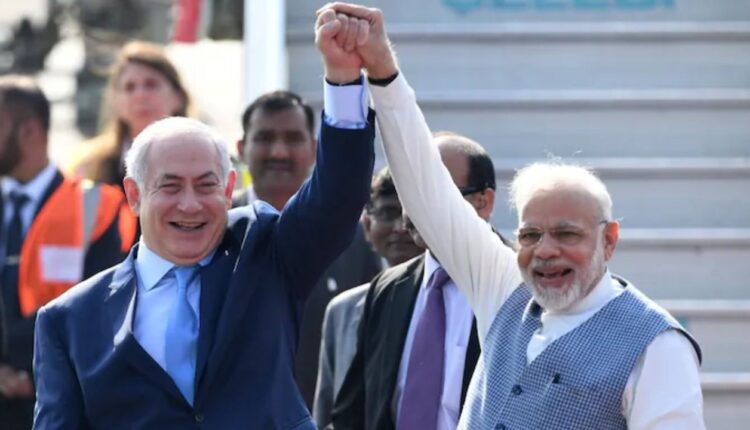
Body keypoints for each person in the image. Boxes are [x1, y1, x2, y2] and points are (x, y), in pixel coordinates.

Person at [322, 4, 705, 428]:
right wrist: (381, 69)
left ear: (609, 239)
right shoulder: (506, 289)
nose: (545, 250)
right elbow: (427, 189)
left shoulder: (656, 346)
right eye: (530, 234)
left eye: (567, 234)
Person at [32, 9, 376, 428]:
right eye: (171, 186)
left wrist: (343, 79)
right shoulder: (70, 320)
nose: (190, 204)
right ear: (134, 195)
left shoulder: (263, 254)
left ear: (229, 189)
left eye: (205, 185)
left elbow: (338, 197)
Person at [331, 134, 514, 430]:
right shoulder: (389, 289)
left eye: (435, 191)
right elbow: (353, 413)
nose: (416, 206)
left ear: (484, 201)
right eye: (411, 189)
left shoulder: (520, 286)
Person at [234, 90, 382, 406]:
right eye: (264, 138)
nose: (279, 152)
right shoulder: (212, 229)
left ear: (315, 149)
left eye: (293, 139)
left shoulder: (354, 241)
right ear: (241, 149)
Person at [0, 75, 132, 429]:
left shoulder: (96, 206)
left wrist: (28, 368)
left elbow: (102, 303)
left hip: (66, 401)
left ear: (29, 131)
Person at [313, 166, 423, 427]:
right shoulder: (343, 310)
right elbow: (327, 410)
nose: (400, 227)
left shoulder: (447, 304)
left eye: (410, 215)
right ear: (366, 225)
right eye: (388, 213)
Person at [71, 40, 191, 188]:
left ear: (178, 97)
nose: (140, 96)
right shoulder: (88, 166)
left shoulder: (205, 159)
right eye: (129, 87)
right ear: (115, 101)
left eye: (151, 84)